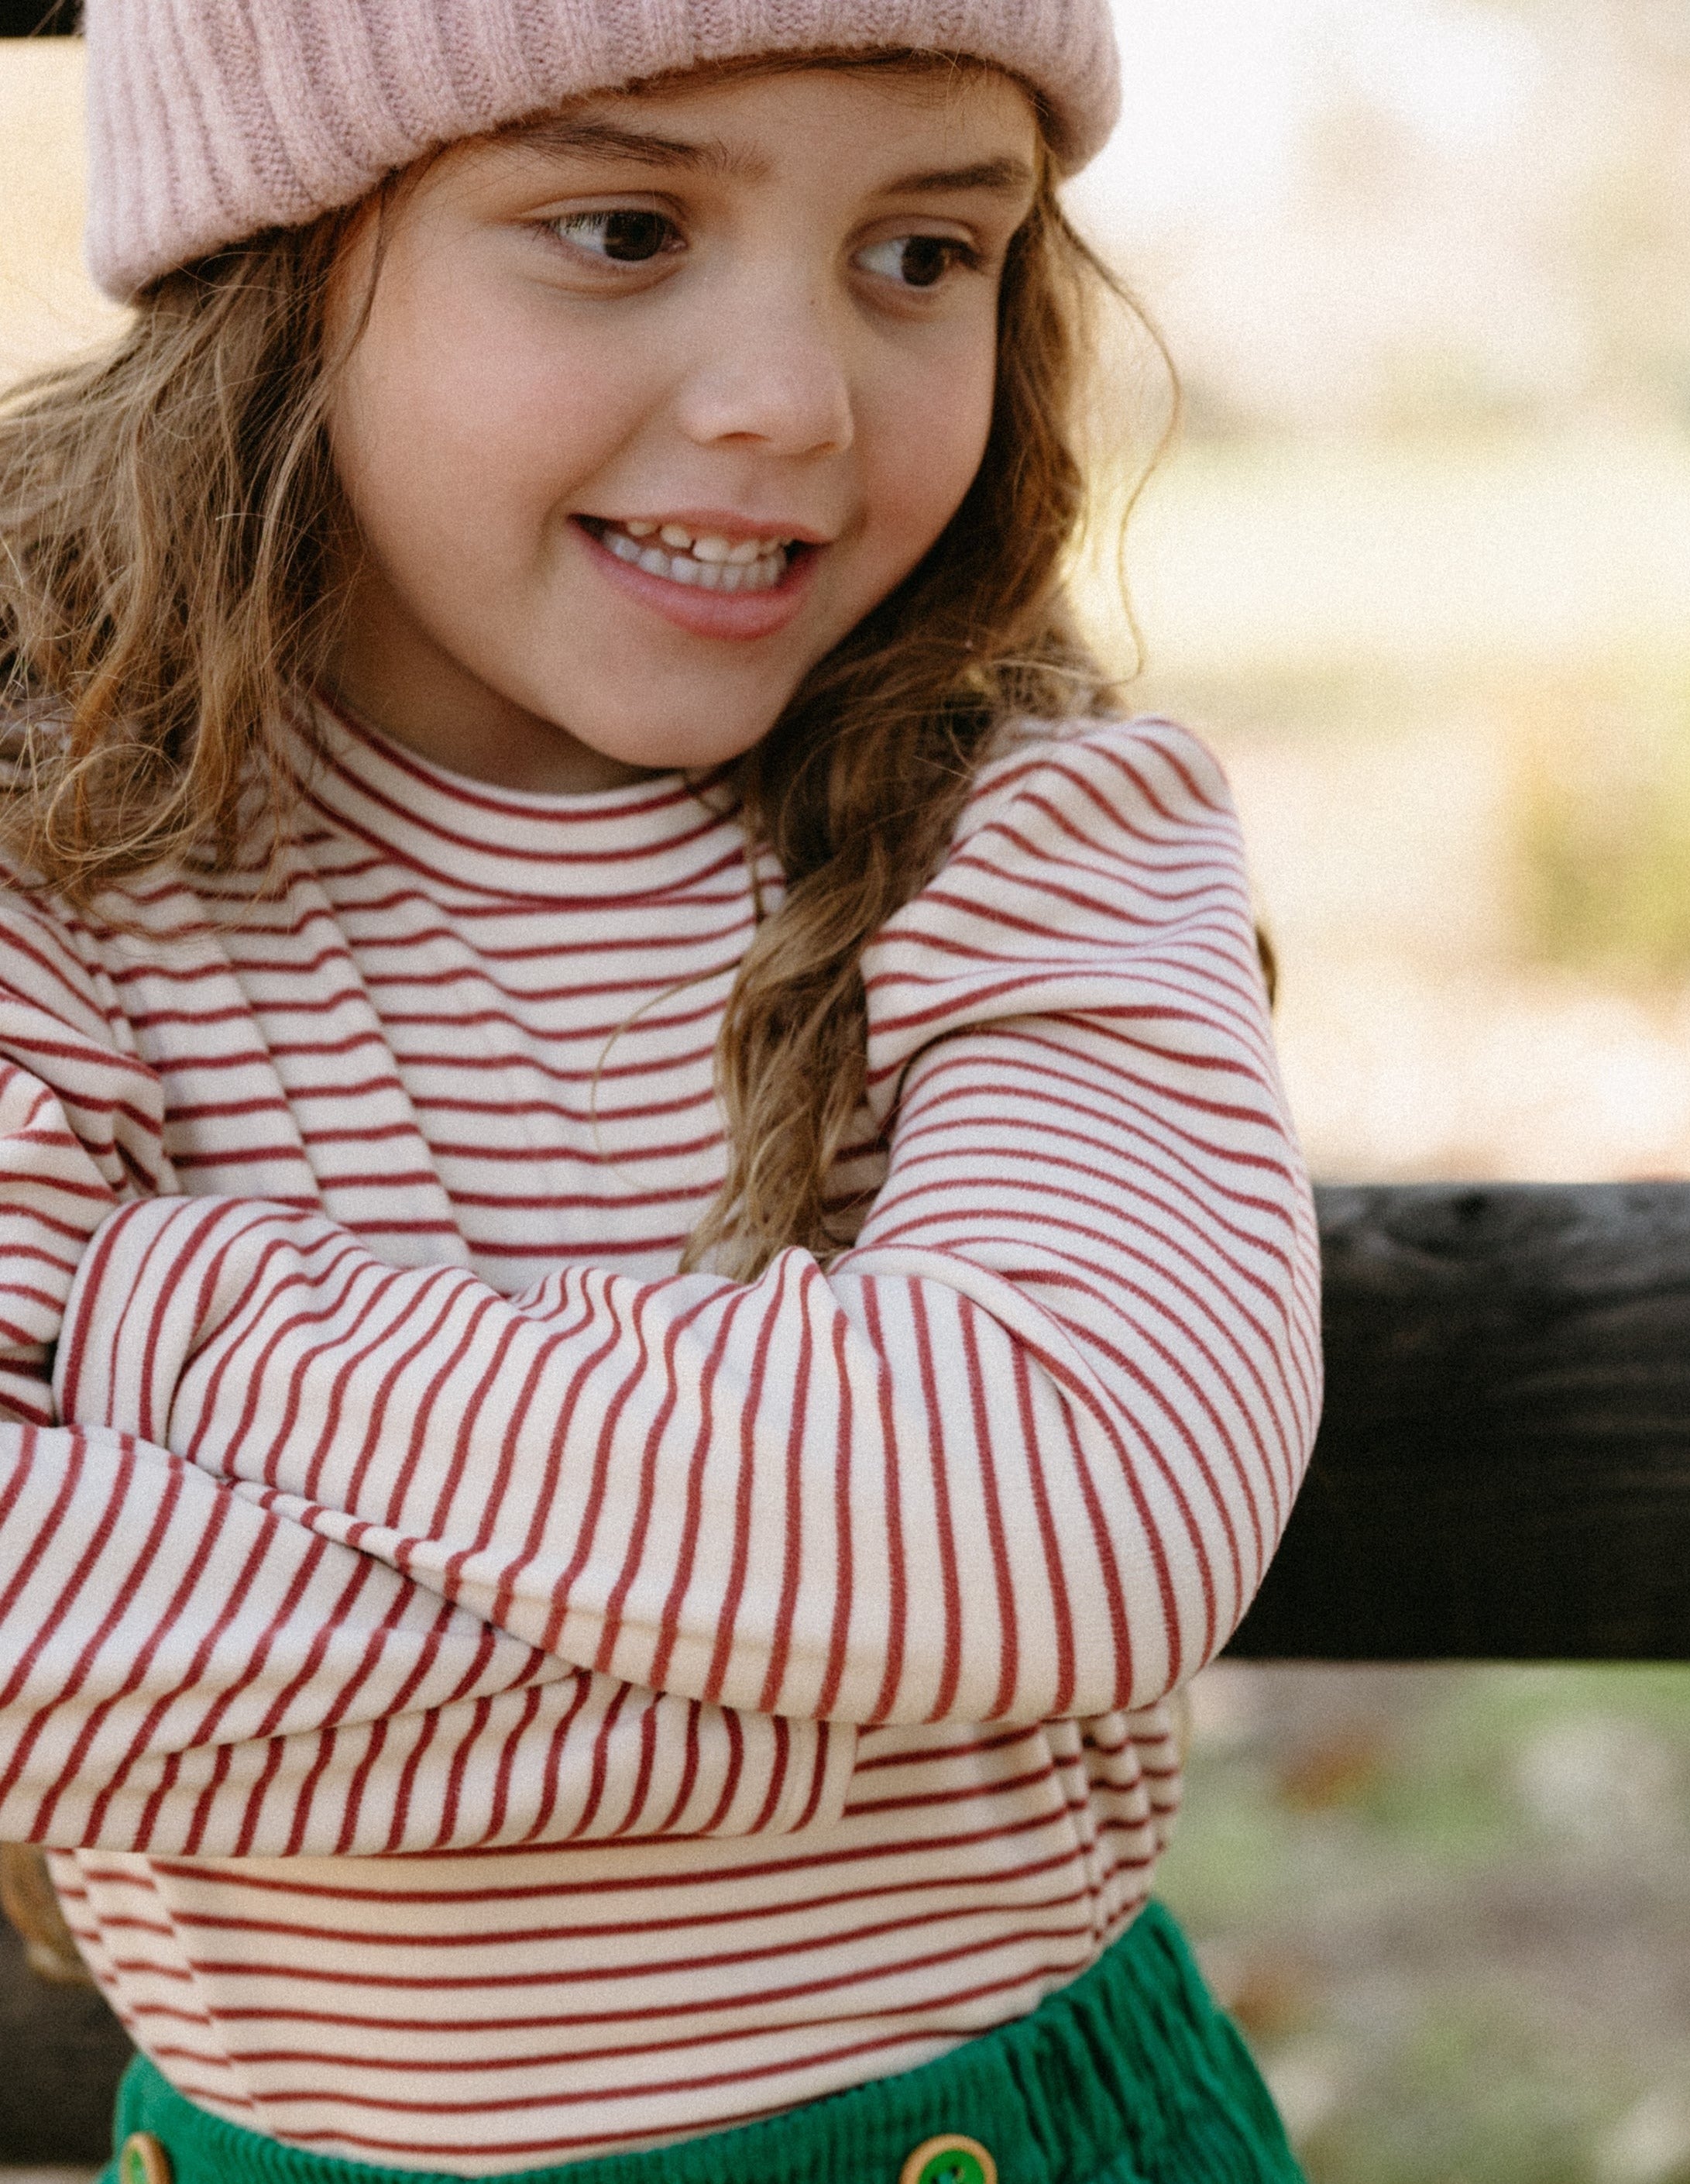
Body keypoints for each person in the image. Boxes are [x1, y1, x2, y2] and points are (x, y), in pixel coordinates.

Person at [0, 3, 1323, 2181]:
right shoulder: (61, 873)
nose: (792, 402)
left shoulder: (1039, 839)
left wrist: (184, 1319)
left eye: (921, 256)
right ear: (273, 265)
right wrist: (857, 1651)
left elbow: (1085, 1499)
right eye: (622, 227)